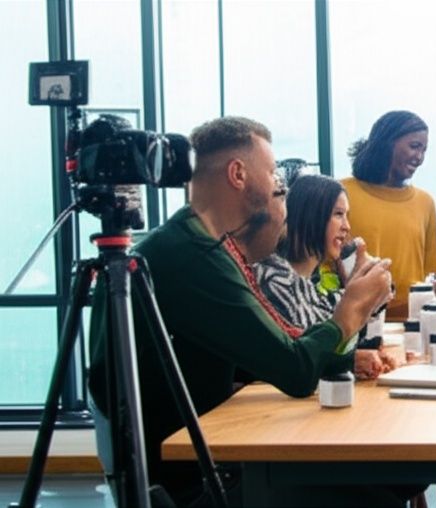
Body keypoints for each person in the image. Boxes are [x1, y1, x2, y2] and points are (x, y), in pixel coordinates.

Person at [87, 116, 403, 507]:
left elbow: (262, 353)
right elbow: (295, 371)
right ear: (238, 173)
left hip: (206, 456)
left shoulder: (198, 245)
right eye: (272, 174)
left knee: (391, 482)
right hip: (194, 481)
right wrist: (354, 306)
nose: (277, 188)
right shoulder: (192, 258)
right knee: (383, 490)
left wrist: (342, 356)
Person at [255, 173, 396, 380]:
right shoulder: (273, 279)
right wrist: (360, 296)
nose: (347, 226)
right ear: (311, 215)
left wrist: (363, 292)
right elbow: (305, 351)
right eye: (338, 214)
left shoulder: (307, 284)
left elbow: (330, 326)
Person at [344, 110, 436, 321]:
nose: (420, 158)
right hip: (356, 322)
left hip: (412, 325)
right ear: (387, 143)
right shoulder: (342, 194)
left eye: (424, 150)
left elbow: (433, 275)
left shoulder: (425, 202)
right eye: (415, 146)